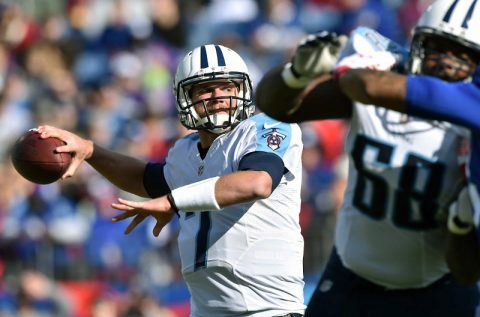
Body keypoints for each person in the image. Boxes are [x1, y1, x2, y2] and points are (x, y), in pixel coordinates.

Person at [36, 44, 306, 317]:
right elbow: (143, 178)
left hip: (270, 311)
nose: (218, 96)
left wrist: (172, 201)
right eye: (205, 89)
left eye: (226, 86)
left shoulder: (268, 126)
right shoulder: (185, 151)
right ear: (184, 97)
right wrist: (90, 151)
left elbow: (257, 182)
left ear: (242, 89)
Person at [255, 0, 480, 316]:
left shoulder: (472, 123)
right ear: (417, 42)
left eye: (465, 56)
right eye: (439, 47)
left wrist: (461, 221)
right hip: (351, 279)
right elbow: (276, 106)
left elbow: (468, 269)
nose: (447, 64)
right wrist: (297, 74)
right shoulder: (382, 78)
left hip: (437, 291)